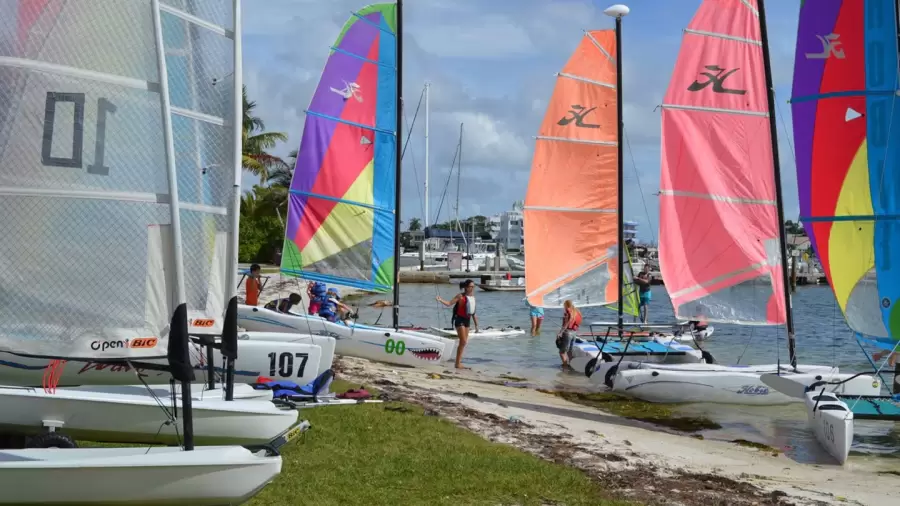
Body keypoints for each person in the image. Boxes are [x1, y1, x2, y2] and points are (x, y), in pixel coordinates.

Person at [436, 279, 478, 369]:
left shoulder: (473, 298)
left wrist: (476, 325)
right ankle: (457, 363)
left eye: (473, 286)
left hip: (467, 321)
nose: (472, 288)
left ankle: (458, 362)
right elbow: (449, 303)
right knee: (462, 341)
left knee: (464, 343)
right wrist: (440, 300)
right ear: (466, 287)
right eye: (471, 286)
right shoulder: (460, 296)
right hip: (459, 320)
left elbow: (473, 312)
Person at [556, 300, 582, 369]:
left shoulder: (568, 311)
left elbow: (567, 322)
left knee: (562, 352)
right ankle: (572, 365)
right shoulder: (577, 311)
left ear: (566, 305)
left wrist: (560, 332)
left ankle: (565, 366)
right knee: (569, 351)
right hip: (574, 333)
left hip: (567, 333)